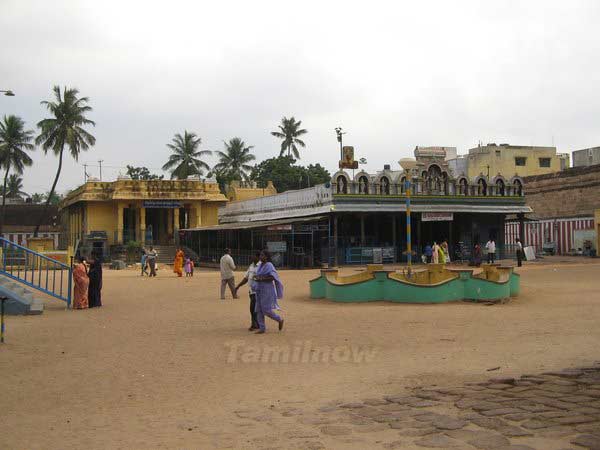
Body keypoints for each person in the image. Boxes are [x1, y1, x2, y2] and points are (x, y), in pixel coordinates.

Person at [253, 250, 284, 334]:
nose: (260, 257)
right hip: (259, 289)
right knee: (258, 309)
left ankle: (279, 319)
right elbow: (258, 275)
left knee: (266, 310)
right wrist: (256, 277)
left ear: (266, 257)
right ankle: (262, 328)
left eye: (262, 255)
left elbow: (273, 277)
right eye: (260, 255)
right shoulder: (259, 265)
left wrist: (262, 279)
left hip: (267, 290)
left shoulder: (269, 265)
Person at [234, 252, 261, 331]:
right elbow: (246, 278)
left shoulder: (261, 266)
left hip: (258, 291)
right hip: (251, 291)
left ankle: (255, 324)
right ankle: (257, 324)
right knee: (253, 308)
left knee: (253, 308)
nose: (251, 257)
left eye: (253, 255)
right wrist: (238, 286)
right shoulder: (251, 266)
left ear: (258, 257)